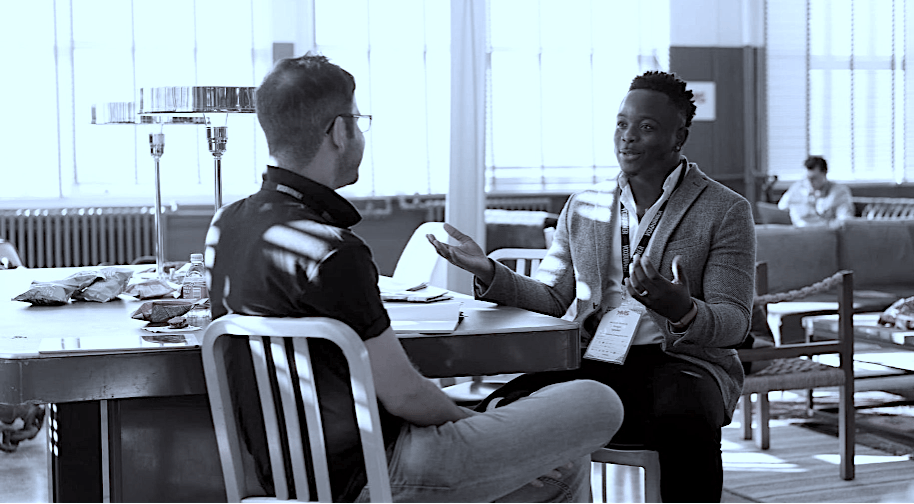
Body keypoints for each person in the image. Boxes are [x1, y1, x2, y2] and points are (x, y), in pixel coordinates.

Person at [205, 54, 623, 503]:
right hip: (380, 473)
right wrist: (478, 427)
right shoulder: (333, 251)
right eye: (359, 122)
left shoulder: (227, 224)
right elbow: (405, 396)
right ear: (340, 131)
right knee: (597, 401)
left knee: (562, 466)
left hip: (292, 479)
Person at [428, 71, 756, 503]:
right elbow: (551, 298)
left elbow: (735, 322)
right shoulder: (583, 206)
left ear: (679, 137)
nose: (628, 137)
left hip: (682, 362)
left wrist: (684, 310)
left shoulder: (725, 209)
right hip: (596, 358)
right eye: (621, 124)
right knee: (506, 406)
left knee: (685, 414)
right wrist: (490, 271)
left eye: (646, 127)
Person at [777, 155, 855, 227]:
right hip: (799, 232)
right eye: (806, 178)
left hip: (824, 232)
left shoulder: (839, 192)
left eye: (813, 178)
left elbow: (845, 220)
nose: (809, 182)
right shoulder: (798, 187)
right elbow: (781, 208)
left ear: (824, 173)